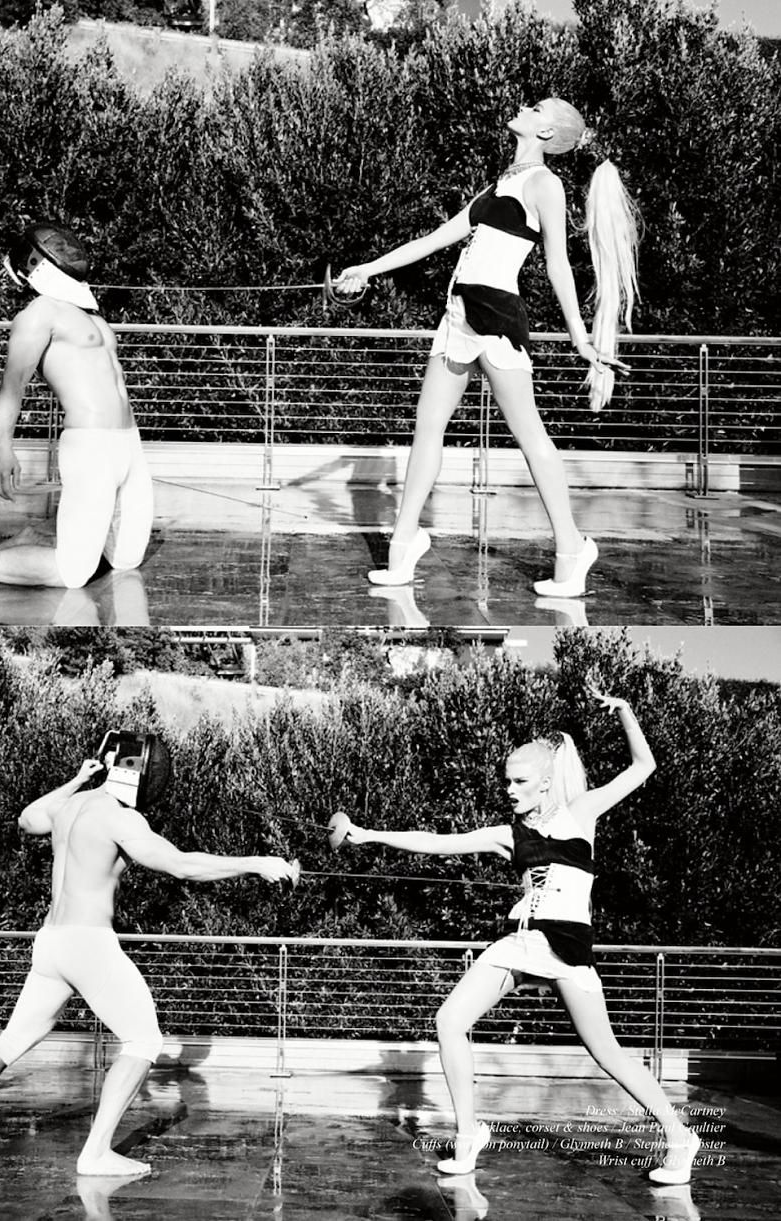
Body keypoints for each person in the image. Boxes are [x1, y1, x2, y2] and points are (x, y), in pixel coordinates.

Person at [339, 684, 701, 1185]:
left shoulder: (581, 813)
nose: (509, 789)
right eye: (506, 780)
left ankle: (679, 1136)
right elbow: (436, 842)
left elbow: (644, 766)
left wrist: (625, 711)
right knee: (449, 1021)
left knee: (606, 1053)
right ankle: (469, 1134)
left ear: (546, 782)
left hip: (567, 947)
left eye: (520, 781)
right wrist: (369, 835)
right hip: (519, 940)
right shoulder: (509, 835)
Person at [0, 731, 299, 1176]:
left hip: (51, 942)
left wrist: (78, 779)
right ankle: (96, 1154)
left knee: (8, 1043)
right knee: (143, 1041)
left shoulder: (70, 806)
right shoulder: (120, 818)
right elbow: (181, 865)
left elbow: (27, 818)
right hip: (88, 943)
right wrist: (256, 864)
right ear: (145, 774)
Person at [335, 99, 639, 597]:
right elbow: (434, 239)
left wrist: (579, 336)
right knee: (427, 427)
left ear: (547, 132)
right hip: (457, 315)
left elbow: (558, 264)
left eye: (535, 107)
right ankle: (404, 544)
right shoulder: (498, 185)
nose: (523, 106)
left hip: (497, 317)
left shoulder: (545, 184)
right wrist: (366, 269)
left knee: (529, 435)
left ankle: (572, 548)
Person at [0, 223, 154, 589]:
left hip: (129, 443)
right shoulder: (39, 314)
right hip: (91, 445)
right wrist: (2, 449)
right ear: (34, 262)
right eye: (57, 247)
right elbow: (12, 387)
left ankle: (35, 539)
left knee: (126, 559)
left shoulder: (91, 315)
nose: (67, 250)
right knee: (72, 574)